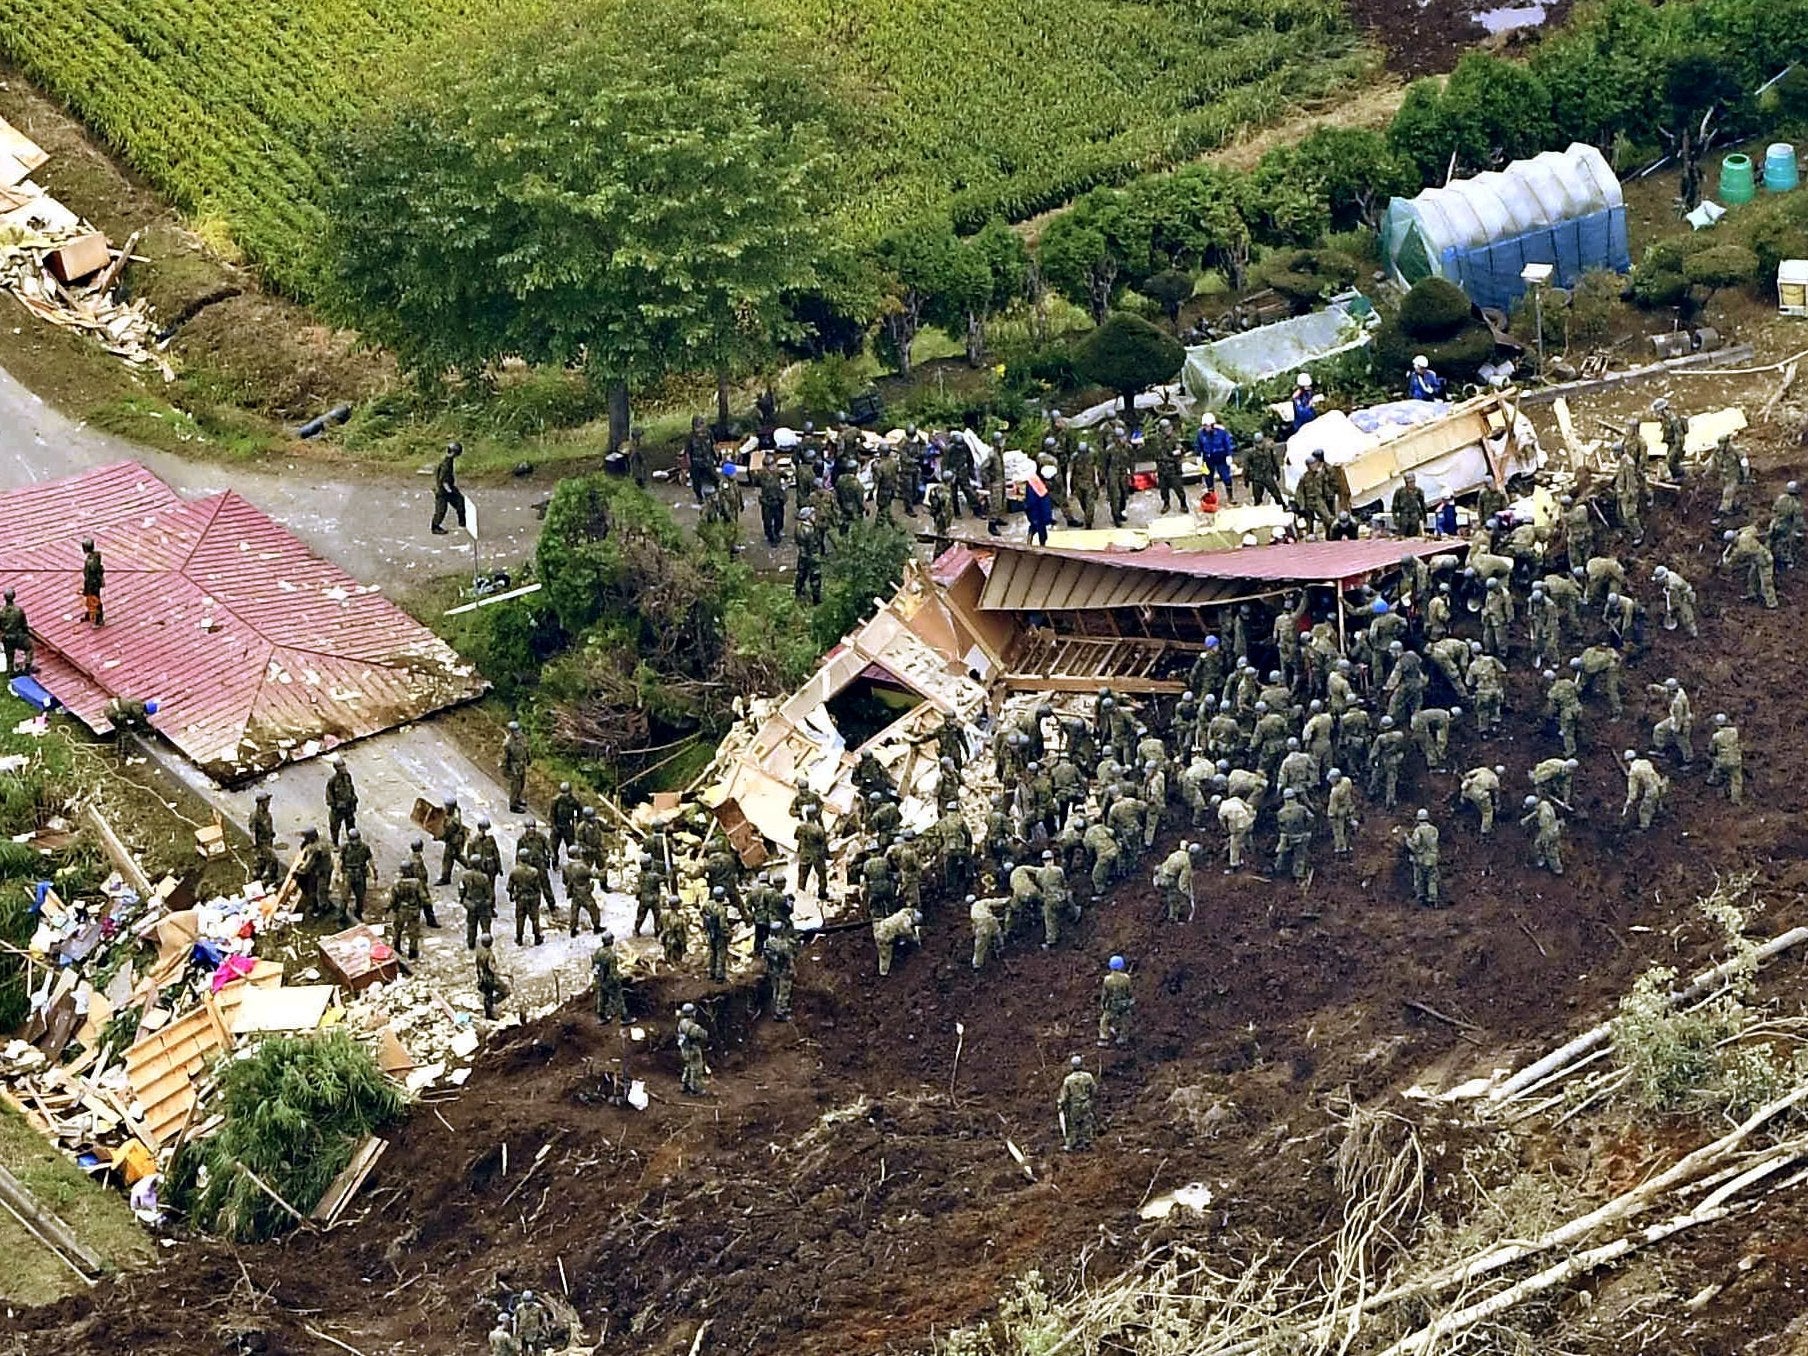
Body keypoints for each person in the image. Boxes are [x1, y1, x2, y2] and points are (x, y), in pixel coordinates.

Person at [1058, 1055, 1097, 1151]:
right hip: (1086, 1103)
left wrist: (1061, 1104)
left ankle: (1072, 1144)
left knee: (1072, 1125)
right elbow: (1094, 1089)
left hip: (1074, 1105)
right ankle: (1087, 1142)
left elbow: (1065, 1095)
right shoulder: (1088, 1077)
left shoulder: (1068, 1080)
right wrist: (1090, 1100)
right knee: (1086, 1123)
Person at [1404, 808, 1441, 907]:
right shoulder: (1434, 830)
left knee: (1419, 878)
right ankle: (1433, 899)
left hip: (1422, 859)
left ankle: (1421, 897)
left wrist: (1407, 840)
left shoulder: (1418, 830)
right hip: (1433, 858)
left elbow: (1415, 844)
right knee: (1432, 879)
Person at [1194, 413, 1235, 501]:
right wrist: (1198, 456)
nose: (1206, 428)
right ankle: (1212, 498)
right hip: (1207, 459)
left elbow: (1227, 443)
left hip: (1221, 458)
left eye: (1208, 426)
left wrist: (1229, 455)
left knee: (1226, 477)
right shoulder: (1200, 433)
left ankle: (1230, 497)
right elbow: (1198, 445)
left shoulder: (1222, 432)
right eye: (1205, 426)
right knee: (1208, 478)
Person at [764, 920, 799, 1020]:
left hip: (773, 969)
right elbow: (789, 957)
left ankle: (776, 1008)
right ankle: (780, 1012)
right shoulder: (783, 944)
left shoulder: (768, 942)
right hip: (783, 969)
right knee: (784, 990)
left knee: (776, 989)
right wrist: (793, 969)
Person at [339, 827, 374, 921]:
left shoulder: (365, 847)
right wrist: (339, 873)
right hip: (348, 873)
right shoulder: (345, 847)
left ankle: (358, 914)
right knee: (345, 896)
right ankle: (342, 916)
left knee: (360, 896)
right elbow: (340, 860)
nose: (356, 842)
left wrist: (374, 871)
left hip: (360, 873)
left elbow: (370, 860)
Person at [430, 441, 465, 534]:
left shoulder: (448, 460)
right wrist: (450, 491)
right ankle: (435, 527)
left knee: (460, 501)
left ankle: (462, 523)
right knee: (441, 510)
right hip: (443, 490)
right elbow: (443, 480)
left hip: (446, 487)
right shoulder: (446, 464)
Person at [388, 871, 425, 960]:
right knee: (413, 933)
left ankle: (396, 948)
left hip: (401, 910)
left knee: (398, 929)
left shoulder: (397, 883)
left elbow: (393, 899)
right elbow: (422, 896)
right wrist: (419, 907)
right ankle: (412, 953)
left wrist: (393, 908)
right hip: (413, 910)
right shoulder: (416, 883)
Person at [1708, 714, 1744, 805]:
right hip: (1735, 760)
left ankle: (1712, 780)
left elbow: (1711, 750)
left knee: (1716, 766)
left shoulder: (1716, 736)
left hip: (1723, 762)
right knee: (1736, 780)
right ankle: (1736, 800)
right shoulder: (1734, 731)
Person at [1098, 956, 1134, 1047]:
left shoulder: (1107, 979)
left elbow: (1105, 994)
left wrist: (1103, 1004)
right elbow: (1129, 992)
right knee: (1124, 1020)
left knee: (1104, 1020)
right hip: (1124, 1004)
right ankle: (1123, 1038)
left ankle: (1104, 1038)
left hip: (1112, 1005)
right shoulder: (1126, 978)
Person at [676, 1003, 710, 1095]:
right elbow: (698, 1033)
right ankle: (696, 1089)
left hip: (685, 1049)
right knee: (696, 1069)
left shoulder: (682, 1022)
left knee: (688, 1067)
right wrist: (704, 1033)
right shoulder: (688, 1024)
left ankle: (685, 1085)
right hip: (691, 1049)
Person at [249, 790, 280, 886]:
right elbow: (253, 831)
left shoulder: (267, 814)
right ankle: (269, 879)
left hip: (268, 841)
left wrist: (271, 833)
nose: (268, 803)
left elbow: (268, 826)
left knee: (264, 862)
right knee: (273, 859)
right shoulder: (255, 816)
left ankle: (263, 879)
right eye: (267, 802)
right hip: (261, 844)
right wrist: (255, 844)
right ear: (261, 803)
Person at [324, 755, 357, 846]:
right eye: (341, 766)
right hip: (338, 810)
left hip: (348, 807)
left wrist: (354, 800)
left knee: (350, 825)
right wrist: (335, 805)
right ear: (336, 768)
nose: (343, 768)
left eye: (344, 765)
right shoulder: (332, 781)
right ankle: (335, 843)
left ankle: (352, 841)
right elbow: (329, 796)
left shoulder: (347, 776)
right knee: (335, 827)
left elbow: (351, 788)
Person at [475, 932, 509, 1019]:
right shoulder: (490, 955)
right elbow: (492, 969)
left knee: (487, 995)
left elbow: (477, 966)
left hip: (483, 977)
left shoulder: (479, 952)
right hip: (490, 978)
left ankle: (488, 1014)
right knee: (506, 991)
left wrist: (479, 977)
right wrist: (506, 974)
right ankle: (493, 1003)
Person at [502, 720, 531, 813]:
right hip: (514, 766)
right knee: (515, 786)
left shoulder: (522, 738)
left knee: (522, 783)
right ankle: (513, 805)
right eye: (516, 731)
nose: (518, 733)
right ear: (511, 732)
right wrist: (508, 770)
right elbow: (505, 759)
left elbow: (526, 748)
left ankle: (518, 799)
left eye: (518, 730)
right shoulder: (508, 744)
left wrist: (529, 759)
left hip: (521, 764)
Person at [0, 589, 32, 675]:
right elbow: (24, 625)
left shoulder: (1, 612)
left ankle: (11, 672)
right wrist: (26, 634)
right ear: (14, 597)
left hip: (7, 637)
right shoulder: (19, 610)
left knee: (9, 657)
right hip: (18, 637)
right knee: (29, 648)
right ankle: (27, 665)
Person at [1025, 462, 1057, 545]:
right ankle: (1038, 545)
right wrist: (1048, 519)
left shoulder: (1034, 480)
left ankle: (1031, 542)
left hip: (1035, 512)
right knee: (1039, 530)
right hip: (1037, 513)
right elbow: (1043, 505)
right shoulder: (1039, 488)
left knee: (1035, 527)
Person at [1391, 473, 1427, 538]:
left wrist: (1424, 518)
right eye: (1410, 482)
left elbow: (1422, 505)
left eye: (1413, 481)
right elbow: (1394, 506)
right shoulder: (1399, 491)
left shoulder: (1418, 491)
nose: (1412, 483)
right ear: (1406, 482)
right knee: (1402, 535)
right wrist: (1395, 518)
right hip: (1404, 516)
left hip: (1415, 516)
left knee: (1413, 535)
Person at [79, 537, 105, 626]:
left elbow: (93, 572)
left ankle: (99, 619)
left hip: (93, 583)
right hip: (90, 582)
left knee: (95, 600)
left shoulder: (91, 561)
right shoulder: (94, 557)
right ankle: (89, 614)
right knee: (90, 599)